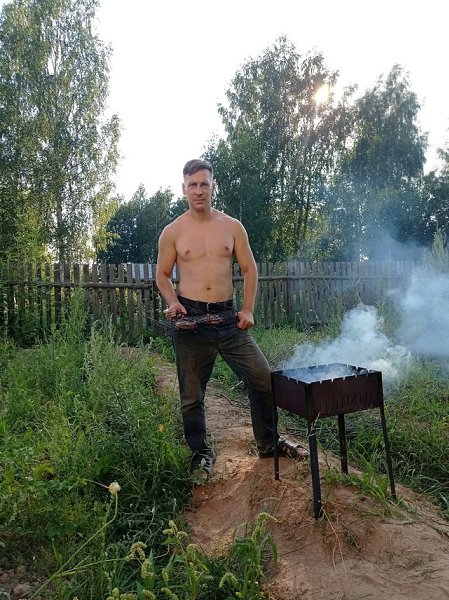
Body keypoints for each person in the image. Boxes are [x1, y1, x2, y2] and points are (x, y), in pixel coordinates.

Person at [156, 159, 307, 480]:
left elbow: (250, 269)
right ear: (184, 189)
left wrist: (248, 309)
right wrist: (173, 302)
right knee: (191, 396)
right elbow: (162, 274)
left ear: (213, 186)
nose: (199, 190)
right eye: (193, 184)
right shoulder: (173, 231)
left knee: (263, 378)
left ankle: (268, 443)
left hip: (228, 319)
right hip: (190, 321)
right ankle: (200, 455)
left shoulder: (232, 226)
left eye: (204, 183)